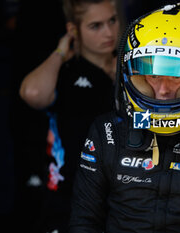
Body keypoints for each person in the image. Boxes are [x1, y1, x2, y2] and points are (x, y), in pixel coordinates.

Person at [69, 3, 180, 233]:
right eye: (152, 76)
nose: (163, 90)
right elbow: (83, 223)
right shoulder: (107, 134)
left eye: (177, 77)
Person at [19, 0, 121, 232]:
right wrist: (62, 50)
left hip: (121, 198)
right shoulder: (64, 72)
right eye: (95, 26)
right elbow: (32, 93)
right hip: (68, 197)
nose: (108, 32)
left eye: (112, 21)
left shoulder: (132, 70)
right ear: (74, 29)